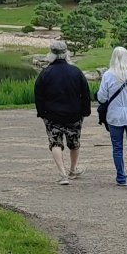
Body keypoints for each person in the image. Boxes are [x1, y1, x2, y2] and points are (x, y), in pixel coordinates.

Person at [34, 39, 92, 184]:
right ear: (66, 53)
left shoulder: (45, 73)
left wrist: (41, 113)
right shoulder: (76, 71)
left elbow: (39, 95)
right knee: (74, 142)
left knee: (55, 143)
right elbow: (85, 93)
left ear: (51, 54)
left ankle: (62, 174)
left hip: (52, 115)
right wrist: (85, 111)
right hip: (74, 114)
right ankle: (72, 169)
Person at [97, 46, 127, 189]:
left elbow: (102, 97)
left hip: (115, 115)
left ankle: (121, 177)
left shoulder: (108, 75)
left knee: (117, 147)